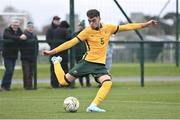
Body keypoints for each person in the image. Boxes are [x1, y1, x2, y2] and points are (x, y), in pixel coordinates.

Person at [43, 9, 158, 112]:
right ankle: (56, 61)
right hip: (87, 62)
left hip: (100, 65)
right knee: (63, 82)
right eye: (89, 21)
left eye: (94, 20)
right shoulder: (87, 31)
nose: (92, 23)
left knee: (107, 82)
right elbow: (71, 43)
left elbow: (128, 26)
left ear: (99, 19)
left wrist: (146, 24)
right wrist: (52, 52)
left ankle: (93, 106)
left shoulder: (109, 28)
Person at [1, 19, 27, 91]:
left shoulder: (19, 30)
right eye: (14, 25)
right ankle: (4, 86)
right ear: (11, 24)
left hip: (14, 54)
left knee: (11, 71)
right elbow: (8, 36)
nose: (16, 26)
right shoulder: (7, 30)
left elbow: (23, 36)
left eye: (17, 25)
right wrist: (19, 37)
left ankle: (7, 86)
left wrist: (24, 36)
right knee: (9, 70)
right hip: (7, 54)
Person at [20, 22, 38, 90]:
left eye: (32, 27)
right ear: (27, 27)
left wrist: (36, 54)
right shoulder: (23, 35)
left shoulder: (34, 35)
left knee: (31, 73)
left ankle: (30, 86)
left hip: (33, 57)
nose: (30, 28)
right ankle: (26, 86)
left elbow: (37, 45)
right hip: (25, 57)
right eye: (29, 27)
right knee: (26, 73)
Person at [52, 20, 70, 85]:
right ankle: (64, 83)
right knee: (64, 68)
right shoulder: (65, 31)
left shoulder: (55, 31)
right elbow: (69, 38)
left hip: (54, 51)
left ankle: (55, 84)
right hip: (63, 52)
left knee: (55, 68)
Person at [74, 20, 91, 87]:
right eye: (79, 26)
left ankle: (88, 84)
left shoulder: (87, 33)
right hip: (78, 54)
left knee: (87, 70)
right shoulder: (76, 34)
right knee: (79, 70)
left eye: (81, 25)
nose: (80, 27)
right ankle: (81, 84)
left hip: (86, 54)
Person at [46, 16, 61, 88]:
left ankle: (61, 83)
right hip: (53, 52)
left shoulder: (61, 29)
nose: (58, 21)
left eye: (58, 20)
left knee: (61, 68)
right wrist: (54, 46)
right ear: (53, 20)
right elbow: (48, 40)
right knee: (53, 68)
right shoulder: (50, 29)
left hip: (61, 51)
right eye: (56, 20)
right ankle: (54, 84)